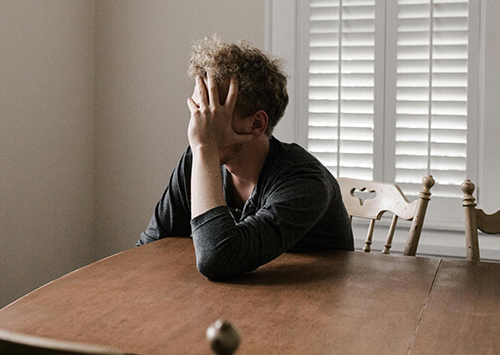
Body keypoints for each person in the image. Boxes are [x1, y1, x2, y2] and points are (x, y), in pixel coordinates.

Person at [137, 36, 353, 280]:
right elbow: (149, 247)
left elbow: (217, 259)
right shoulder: (196, 159)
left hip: (315, 306)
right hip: (233, 302)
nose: (197, 126)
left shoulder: (305, 182)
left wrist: (205, 148)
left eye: (211, 112)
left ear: (256, 123)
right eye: (197, 110)